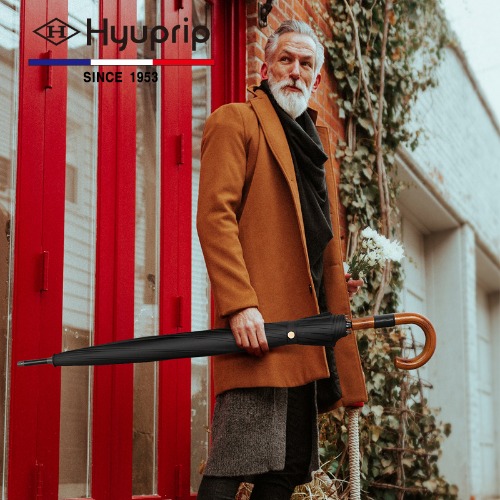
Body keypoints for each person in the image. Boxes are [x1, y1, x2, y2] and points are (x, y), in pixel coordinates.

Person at [196, 20, 367, 499]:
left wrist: (333, 282)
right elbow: (215, 218)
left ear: (316, 78)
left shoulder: (316, 144)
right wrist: (239, 304)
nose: (295, 71)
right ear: (265, 67)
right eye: (286, 59)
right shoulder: (235, 121)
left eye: (305, 64)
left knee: (286, 469)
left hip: (308, 328)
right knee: (233, 461)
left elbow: (309, 234)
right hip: (259, 325)